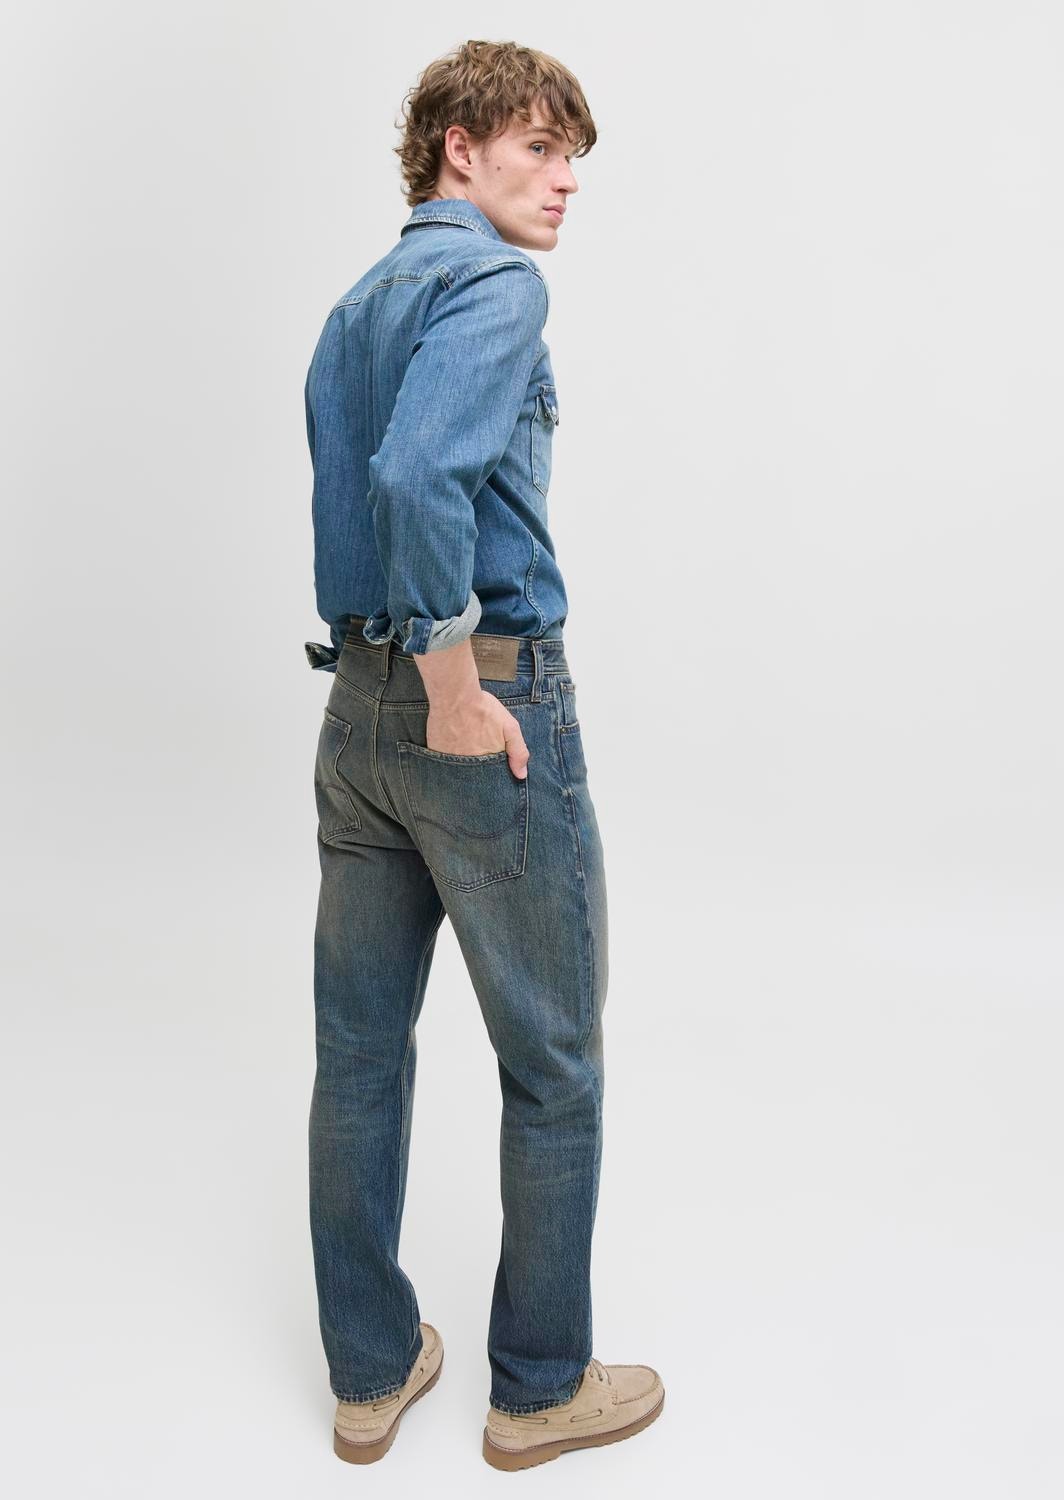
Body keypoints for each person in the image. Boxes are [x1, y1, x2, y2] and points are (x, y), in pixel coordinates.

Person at [302, 40, 664, 1470]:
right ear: (459, 147)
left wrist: (404, 681)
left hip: (355, 716)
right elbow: (413, 480)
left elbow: (362, 495)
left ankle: (368, 1372)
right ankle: (538, 1389)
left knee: (357, 1054)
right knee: (555, 1062)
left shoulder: (356, 305)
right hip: (482, 703)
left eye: (574, 157)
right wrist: (455, 685)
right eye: (538, 148)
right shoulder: (496, 284)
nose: (566, 180)